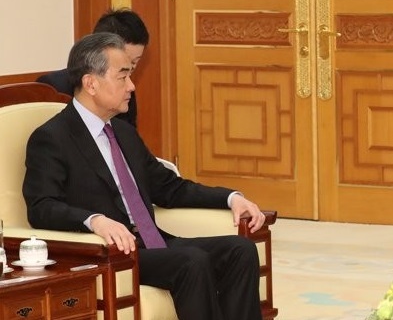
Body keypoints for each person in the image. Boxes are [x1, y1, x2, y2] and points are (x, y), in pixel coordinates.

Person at [23, 32, 266, 320]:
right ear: (91, 83)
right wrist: (95, 221)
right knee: (192, 261)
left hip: (154, 242)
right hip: (113, 253)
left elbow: (169, 188)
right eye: (123, 76)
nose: (132, 86)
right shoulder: (52, 137)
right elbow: (42, 207)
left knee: (240, 250)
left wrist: (230, 197)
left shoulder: (122, 132)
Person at [38, 8, 148, 127]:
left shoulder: (126, 88)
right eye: (125, 62)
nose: (130, 70)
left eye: (134, 62)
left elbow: (129, 138)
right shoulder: (51, 87)